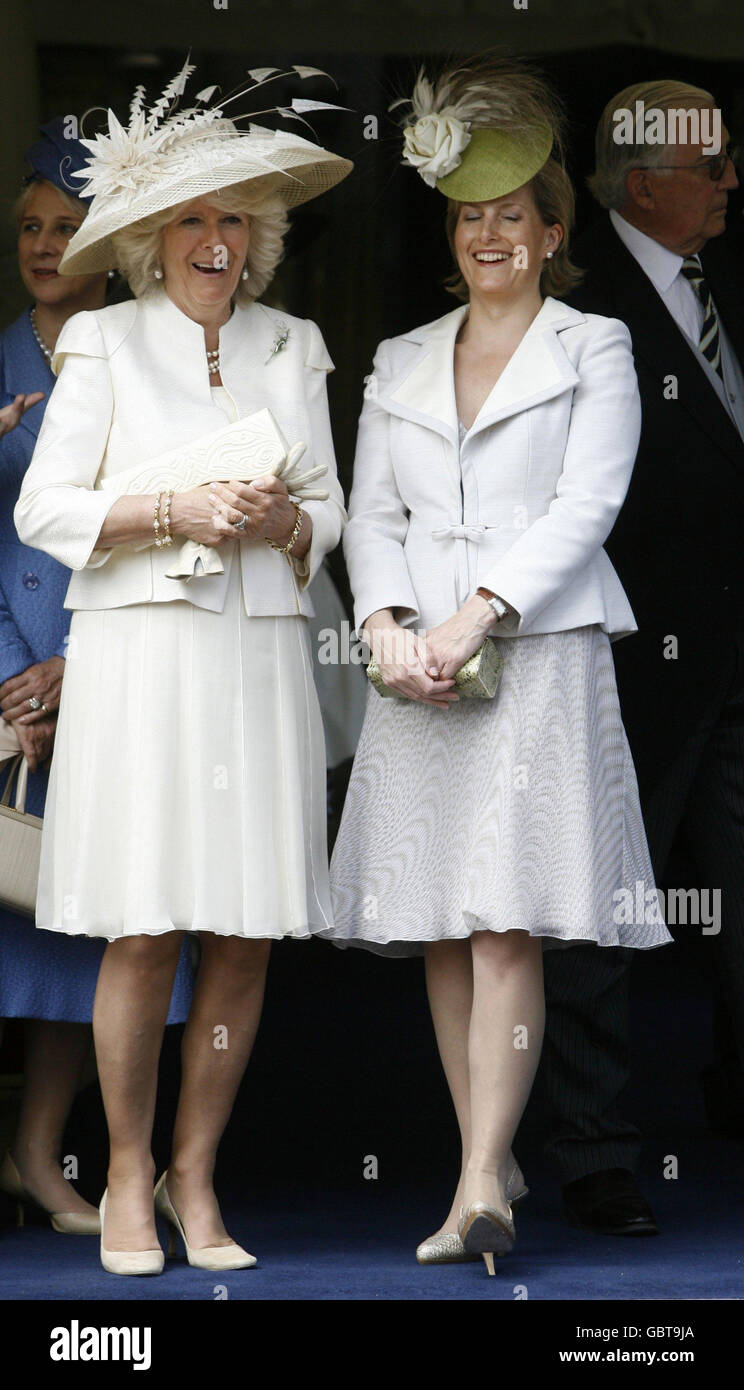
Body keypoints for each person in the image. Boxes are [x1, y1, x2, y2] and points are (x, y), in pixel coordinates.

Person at [323, 56, 671, 1274]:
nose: (489, 237)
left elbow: (591, 504)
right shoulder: (400, 358)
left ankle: (479, 1183)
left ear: (550, 230)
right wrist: (385, 624)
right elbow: (366, 517)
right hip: (418, 661)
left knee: (505, 922)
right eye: (471, 219)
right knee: (439, 920)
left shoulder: (597, 346)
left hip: (536, 655)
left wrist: (481, 613)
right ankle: (494, 1154)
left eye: (510, 218)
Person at [14, 61, 350, 1275]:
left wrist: (278, 522)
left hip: (257, 663)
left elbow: (334, 511)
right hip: (144, 663)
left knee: (246, 934)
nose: (216, 240)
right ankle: (125, 1176)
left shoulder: (295, 340)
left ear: (256, 239)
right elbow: (46, 509)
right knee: (145, 931)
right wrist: (172, 508)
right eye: (193, 220)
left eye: (235, 221)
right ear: (155, 240)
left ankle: (199, 1179)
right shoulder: (101, 341)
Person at [540, 79, 744, 1236]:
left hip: (738, 661)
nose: (731, 182)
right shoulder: (577, 301)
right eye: (712, 166)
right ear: (644, 181)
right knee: (601, 915)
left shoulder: (731, 284)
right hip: (627, 662)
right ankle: (596, 1154)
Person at [0, 119, 193, 1237]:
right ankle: (30, 1150)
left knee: (98, 928)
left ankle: (44, 1151)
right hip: (13, 686)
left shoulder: (145, 353)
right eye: (28, 226)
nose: (42, 243)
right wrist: (16, 679)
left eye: (66, 227)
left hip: (120, 669)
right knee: (23, 930)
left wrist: (84, 665)